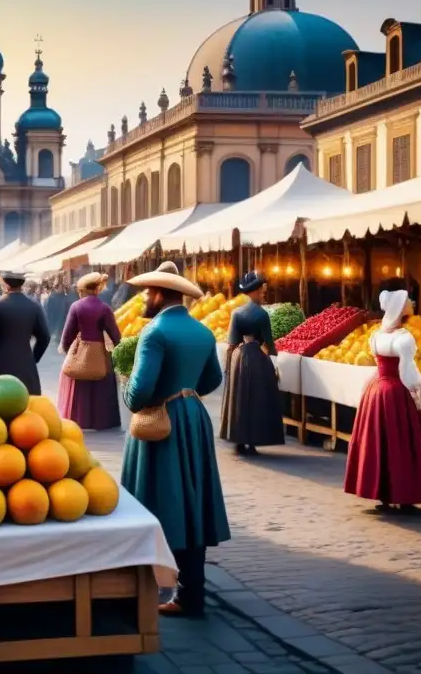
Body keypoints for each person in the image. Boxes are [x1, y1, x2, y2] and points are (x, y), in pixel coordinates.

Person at [120, 264, 229, 617]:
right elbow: (212, 379)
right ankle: (191, 591)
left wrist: (128, 387)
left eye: (146, 293)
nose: (142, 299)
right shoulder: (203, 332)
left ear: (158, 294)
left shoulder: (155, 333)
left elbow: (138, 395)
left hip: (161, 422)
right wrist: (186, 393)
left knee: (158, 498)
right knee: (191, 502)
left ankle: (142, 587)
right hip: (193, 419)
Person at [343, 289, 421, 514]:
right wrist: (415, 392)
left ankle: (383, 494)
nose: (411, 304)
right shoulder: (404, 339)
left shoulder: (376, 335)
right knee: (402, 443)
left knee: (379, 442)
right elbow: (408, 371)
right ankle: (404, 497)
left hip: (376, 390)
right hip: (396, 391)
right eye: (407, 302)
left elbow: (379, 363)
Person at [219, 271, 285, 456]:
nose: (264, 294)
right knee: (257, 400)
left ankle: (239, 440)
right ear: (254, 292)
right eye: (262, 291)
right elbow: (269, 343)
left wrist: (229, 364)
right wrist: (273, 356)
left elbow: (231, 342)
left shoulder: (236, 313)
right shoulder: (262, 315)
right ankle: (253, 441)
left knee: (239, 398)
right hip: (257, 358)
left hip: (239, 357)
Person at [57, 272, 122, 431]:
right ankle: (102, 421)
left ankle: (79, 420)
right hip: (100, 352)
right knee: (101, 384)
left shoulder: (76, 307)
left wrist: (70, 353)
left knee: (78, 385)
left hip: (80, 350)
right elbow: (115, 336)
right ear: (97, 289)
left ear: (82, 290)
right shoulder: (105, 309)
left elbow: (67, 336)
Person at [0, 271, 51, 395]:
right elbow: (45, 337)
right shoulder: (34, 306)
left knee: (1, 406)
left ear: (5, 284)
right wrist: (34, 358)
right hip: (26, 366)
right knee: (28, 407)